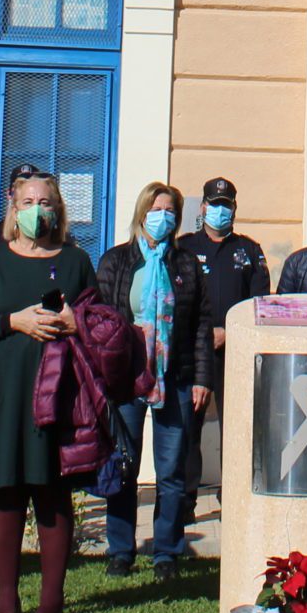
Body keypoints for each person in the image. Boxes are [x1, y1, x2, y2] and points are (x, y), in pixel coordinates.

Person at [0, 164, 97, 613]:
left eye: (45, 203)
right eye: (27, 203)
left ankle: (50, 602)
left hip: (57, 394)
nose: (37, 211)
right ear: (13, 211)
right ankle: (6, 602)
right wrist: (13, 321)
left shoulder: (76, 261)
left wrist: (74, 323)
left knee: (52, 494)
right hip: (5, 392)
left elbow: (99, 321)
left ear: (57, 209)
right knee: (8, 493)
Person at [94, 182, 215, 580]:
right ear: (142, 211)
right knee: (123, 465)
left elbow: (200, 325)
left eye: (171, 211)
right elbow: (99, 321)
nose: (163, 216)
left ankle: (166, 551)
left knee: (171, 470)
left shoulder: (185, 265)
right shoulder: (117, 261)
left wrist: (202, 377)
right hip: (126, 377)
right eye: (157, 208)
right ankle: (121, 549)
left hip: (175, 377)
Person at [177, 177, 269, 488]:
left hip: (235, 351)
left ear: (234, 209)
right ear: (203, 207)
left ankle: (231, 497)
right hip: (193, 352)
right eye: (214, 205)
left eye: (226, 206)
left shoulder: (248, 250)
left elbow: (260, 303)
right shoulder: (185, 247)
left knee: (237, 428)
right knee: (188, 426)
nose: (220, 210)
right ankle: (184, 502)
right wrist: (203, 336)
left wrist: (228, 332)